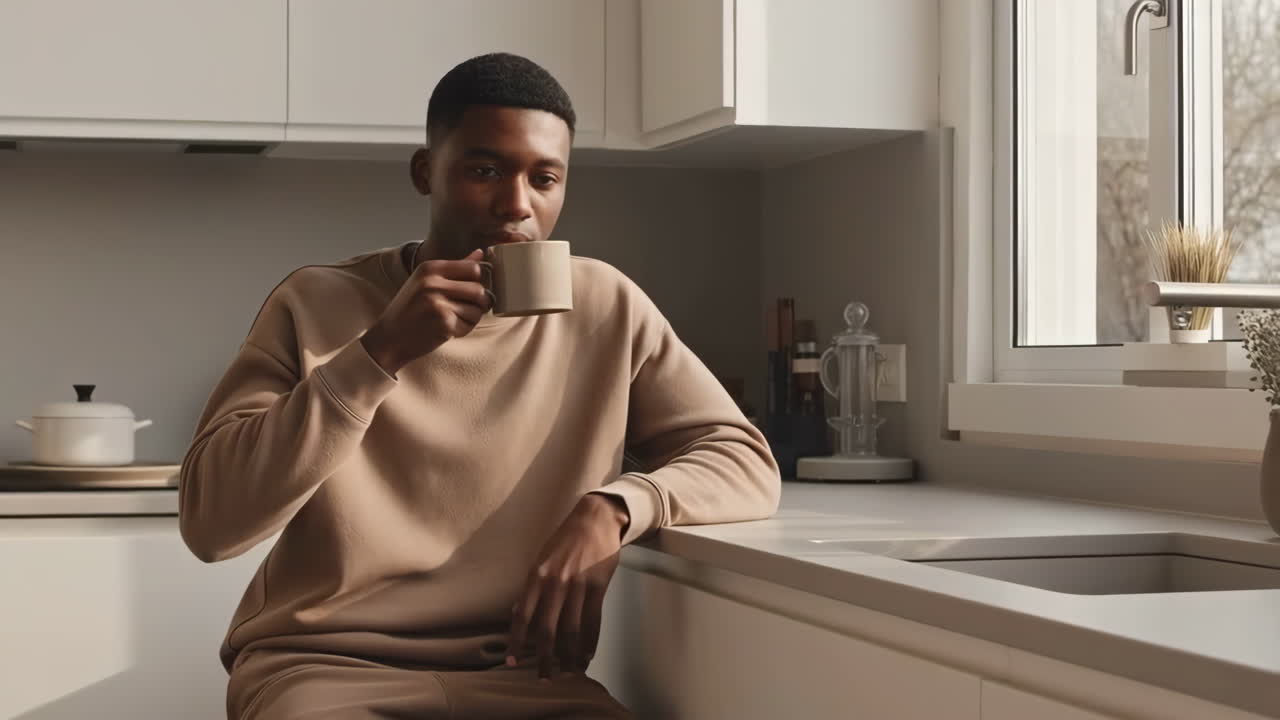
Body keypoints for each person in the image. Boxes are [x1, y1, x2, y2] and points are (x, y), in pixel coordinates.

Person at [179, 52, 781, 719]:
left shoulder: (606, 305)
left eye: (544, 178)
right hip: (323, 666)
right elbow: (212, 526)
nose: (517, 204)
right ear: (425, 172)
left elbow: (743, 460)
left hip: (525, 677)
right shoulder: (315, 301)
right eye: (485, 170)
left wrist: (614, 508)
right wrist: (381, 351)